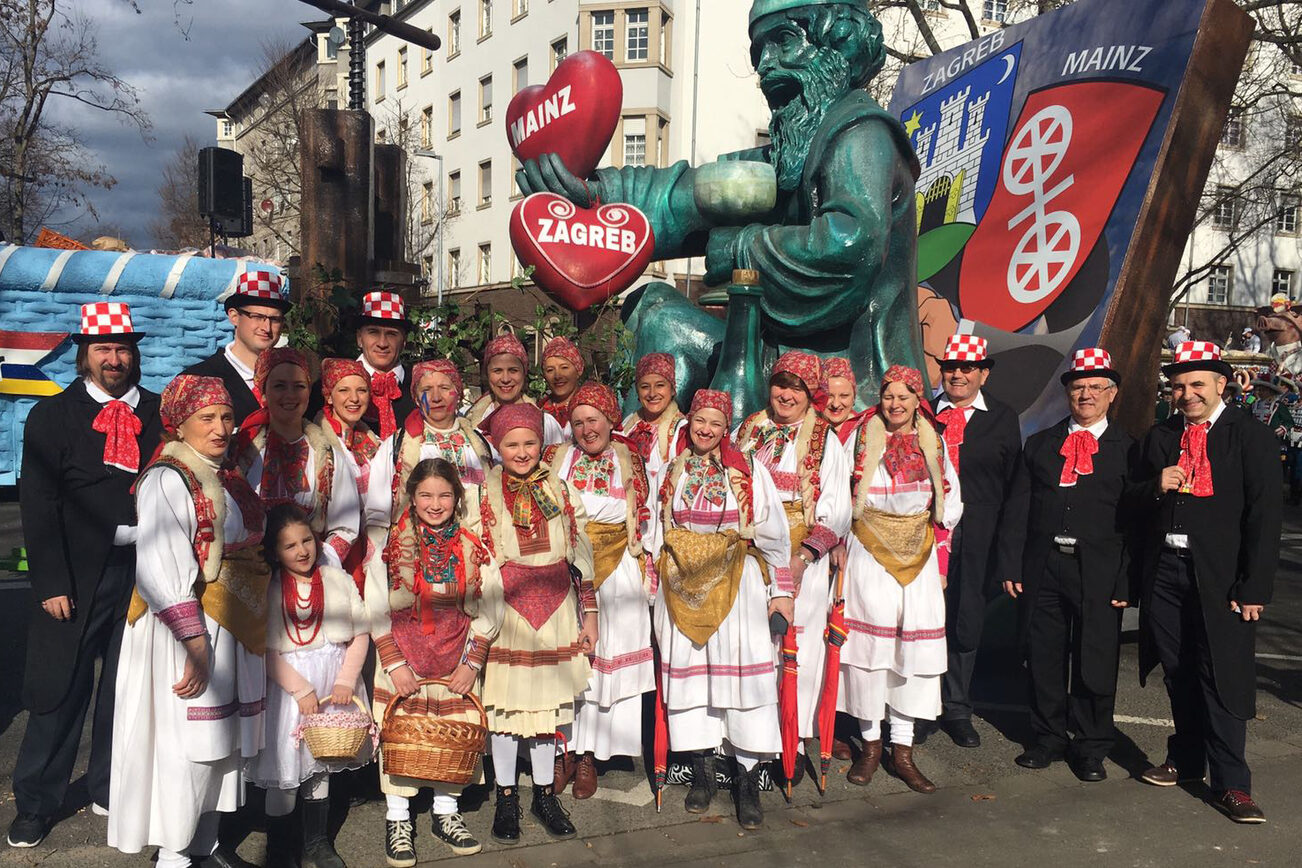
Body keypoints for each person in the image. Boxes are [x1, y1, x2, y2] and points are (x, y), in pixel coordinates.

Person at [9, 303, 162, 848]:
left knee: (126, 688)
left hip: (143, 571)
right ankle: (36, 803)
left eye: (122, 348)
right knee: (60, 689)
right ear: (84, 355)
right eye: (103, 349)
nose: (114, 359)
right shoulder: (52, 415)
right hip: (74, 575)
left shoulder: (158, 411)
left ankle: (109, 785)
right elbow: (38, 502)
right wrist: (50, 582)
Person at [107, 374, 267, 868]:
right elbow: (160, 567)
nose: (220, 428)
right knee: (188, 744)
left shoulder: (226, 474)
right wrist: (194, 642)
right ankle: (174, 854)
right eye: (206, 418)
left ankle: (205, 843)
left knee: (220, 744)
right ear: (179, 424)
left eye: (226, 417)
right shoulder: (168, 478)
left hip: (227, 620)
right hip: (183, 628)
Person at [1133, 341, 1281, 824]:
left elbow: (1265, 517)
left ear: (1221, 384)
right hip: (1166, 570)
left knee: (1222, 674)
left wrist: (1254, 587)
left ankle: (1233, 783)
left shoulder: (1251, 436)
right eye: (1178, 386)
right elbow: (1131, 502)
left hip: (1221, 577)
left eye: (1197, 384)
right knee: (1178, 670)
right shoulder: (1161, 436)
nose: (1187, 394)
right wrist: (1154, 486)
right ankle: (1187, 758)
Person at [647, 389, 793, 830]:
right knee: (694, 682)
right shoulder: (671, 471)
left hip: (736, 583)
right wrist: (653, 587)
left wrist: (781, 591)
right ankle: (703, 772)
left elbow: (774, 532)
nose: (706, 430)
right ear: (689, 423)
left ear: (726, 427)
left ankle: (747, 781)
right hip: (682, 584)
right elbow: (655, 530)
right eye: (699, 421)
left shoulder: (747, 471)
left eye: (715, 422)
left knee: (744, 680)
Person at [1004, 349, 1137, 783]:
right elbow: (1019, 508)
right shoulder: (1041, 443)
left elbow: (1136, 522)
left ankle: (1091, 745)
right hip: (1044, 566)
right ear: (1067, 392)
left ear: (1111, 394)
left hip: (1099, 570)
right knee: (1043, 655)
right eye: (1078, 386)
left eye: (1096, 387)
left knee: (1095, 659)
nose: (1086, 395)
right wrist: (1012, 564)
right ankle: (1047, 737)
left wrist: (1127, 579)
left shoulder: (1129, 450)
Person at [474, 403, 595, 844]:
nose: (522, 452)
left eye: (529, 443)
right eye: (512, 444)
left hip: (558, 606)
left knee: (547, 706)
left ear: (541, 443)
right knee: (506, 706)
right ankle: (506, 796)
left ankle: (544, 794)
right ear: (498, 447)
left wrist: (591, 613)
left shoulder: (558, 488)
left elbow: (580, 550)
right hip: (507, 609)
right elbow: (477, 551)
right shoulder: (484, 493)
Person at [837, 365, 960, 795]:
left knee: (913, 654)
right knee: (869, 653)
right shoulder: (860, 437)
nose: (895, 404)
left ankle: (902, 751)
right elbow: (840, 491)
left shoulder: (932, 440)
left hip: (918, 553)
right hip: (868, 548)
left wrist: (937, 549)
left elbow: (951, 497)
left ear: (916, 400)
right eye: (888, 396)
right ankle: (871, 745)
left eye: (903, 397)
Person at [367, 458, 498, 864]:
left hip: (455, 660)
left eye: (444, 495)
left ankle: (446, 812)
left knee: (451, 737)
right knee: (402, 736)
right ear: (412, 497)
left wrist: (471, 663)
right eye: (425, 495)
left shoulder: (472, 547)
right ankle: (397, 818)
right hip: (403, 661)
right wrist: (394, 663)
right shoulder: (391, 549)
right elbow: (374, 605)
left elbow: (492, 605)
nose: (435, 504)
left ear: (458, 497)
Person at [733, 351, 851, 785]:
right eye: (781, 384)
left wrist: (803, 558)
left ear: (810, 393)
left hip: (803, 557)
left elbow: (837, 510)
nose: (786, 394)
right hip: (753, 555)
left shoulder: (824, 440)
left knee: (799, 650)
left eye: (796, 388)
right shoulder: (749, 427)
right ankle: (755, 739)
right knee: (756, 646)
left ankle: (795, 740)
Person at [546, 383, 654, 800]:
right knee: (569, 660)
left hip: (617, 569)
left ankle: (590, 754)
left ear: (611, 419)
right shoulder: (558, 458)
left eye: (594, 419)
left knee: (603, 662)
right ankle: (563, 750)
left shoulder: (629, 459)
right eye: (578, 422)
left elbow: (642, 516)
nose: (586, 429)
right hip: (567, 565)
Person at [249, 504, 372, 868]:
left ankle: (316, 842)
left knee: (321, 764)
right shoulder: (270, 587)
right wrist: (299, 688)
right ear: (275, 551)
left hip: (333, 685)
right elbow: (264, 648)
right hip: (291, 691)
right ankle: (279, 847)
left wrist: (346, 679)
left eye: (307, 541)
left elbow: (360, 632)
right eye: (290, 546)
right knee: (286, 770)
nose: (302, 551)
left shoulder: (336, 580)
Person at [926, 334, 1021, 748]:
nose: (957, 375)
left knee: (965, 621)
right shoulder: (924, 414)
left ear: (983, 373)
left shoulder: (1002, 417)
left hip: (978, 536)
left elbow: (1014, 490)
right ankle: (920, 706)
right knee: (925, 618)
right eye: (951, 367)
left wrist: (1007, 554)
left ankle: (957, 707)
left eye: (967, 368)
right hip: (927, 535)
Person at [235, 348, 360, 570]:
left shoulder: (327, 457)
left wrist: (316, 565)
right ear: (262, 393)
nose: (290, 395)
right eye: (279, 386)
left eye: (299, 386)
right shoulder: (241, 452)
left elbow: (345, 527)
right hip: (252, 575)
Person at [366, 360, 495, 555]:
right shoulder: (397, 446)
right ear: (417, 399)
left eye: (444, 388)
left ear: (458, 394)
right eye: (426, 390)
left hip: (477, 555)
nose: (435, 397)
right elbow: (377, 514)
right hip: (417, 555)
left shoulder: (480, 445)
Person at [183, 269, 291, 427]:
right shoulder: (199, 380)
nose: (266, 328)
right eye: (257, 317)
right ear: (234, 317)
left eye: (274, 319)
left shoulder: (291, 380)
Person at [316, 359, 379, 591]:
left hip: (370, 548)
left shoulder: (373, 443)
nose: (354, 398)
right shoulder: (319, 444)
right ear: (329, 396)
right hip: (334, 552)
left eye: (361, 390)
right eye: (344, 390)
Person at [466, 333, 565, 446]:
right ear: (487, 374)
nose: (505, 379)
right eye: (497, 371)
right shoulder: (470, 424)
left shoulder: (546, 424)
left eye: (513, 370)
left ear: (524, 372)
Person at [621, 352, 687, 489]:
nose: (652, 393)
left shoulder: (681, 430)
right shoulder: (628, 425)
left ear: (672, 389)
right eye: (645, 387)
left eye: (660, 385)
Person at [539, 336, 585, 437]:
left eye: (564, 368)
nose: (557, 376)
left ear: (578, 370)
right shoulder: (538, 410)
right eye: (550, 370)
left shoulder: (590, 407)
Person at [821, 356, 860, 446]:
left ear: (854, 398)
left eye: (844, 396)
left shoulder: (866, 432)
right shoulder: (804, 430)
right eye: (829, 396)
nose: (835, 404)